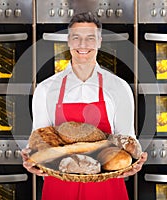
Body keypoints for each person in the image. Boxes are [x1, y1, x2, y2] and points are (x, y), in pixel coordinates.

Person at [22, 11, 148, 200]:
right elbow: (40, 141)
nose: (83, 45)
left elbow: (126, 140)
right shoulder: (46, 89)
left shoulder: (119, 87)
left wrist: (133, 163)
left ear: (99, 41)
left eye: (90, 38)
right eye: (76, 38)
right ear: (68, 41)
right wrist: (30, 157)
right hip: (59, 188)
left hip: (107, 189)